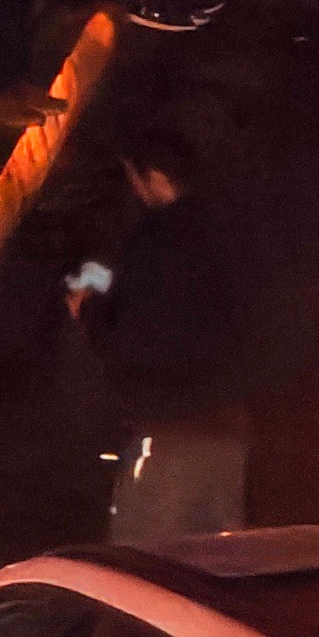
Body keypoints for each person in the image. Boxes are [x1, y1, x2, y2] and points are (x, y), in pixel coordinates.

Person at [78, 125, 260, 541]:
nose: (135, 190)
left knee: (140, 563)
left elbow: (131, 342)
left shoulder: (152, 243)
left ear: (155, 177)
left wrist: (87, 310)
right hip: (230, 430)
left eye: (135, 179)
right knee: (219, 558)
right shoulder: (228, 232)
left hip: (170, 432)